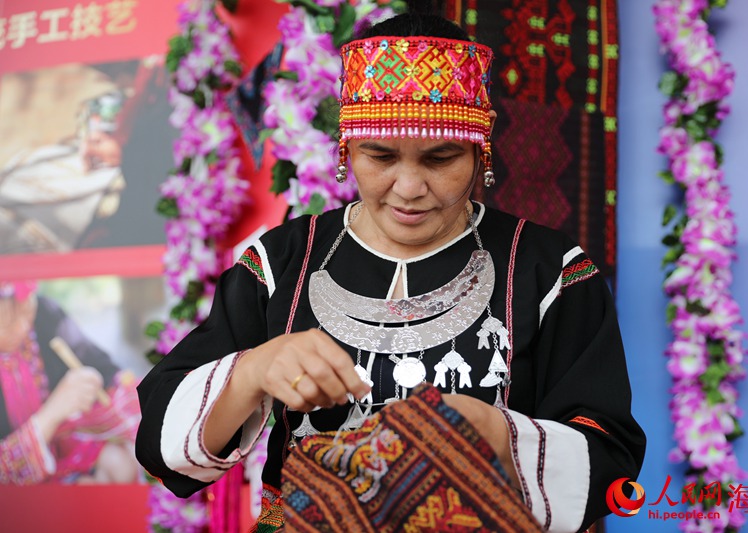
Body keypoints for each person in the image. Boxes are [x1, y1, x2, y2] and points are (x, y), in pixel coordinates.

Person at [136, 13, 645, 532]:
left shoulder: (546, 268)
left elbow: (612, 462)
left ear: (479, 151)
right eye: (379, 156)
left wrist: (491, 431)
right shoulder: (281, 261)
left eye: (440, 158)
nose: (408, 188)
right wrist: (253, 369)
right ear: (346, 148)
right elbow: (159, 442)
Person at [0, 281, 140, 485]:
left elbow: (104, 370)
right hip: (15, 482)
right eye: (6, 325)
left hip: (62, 448)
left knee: (120, 465)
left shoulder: (45, 314)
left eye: (27, 313)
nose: (22, 328)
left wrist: (94, 384)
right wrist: (54, 410)